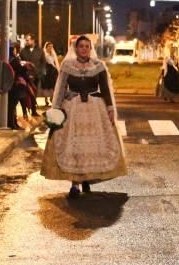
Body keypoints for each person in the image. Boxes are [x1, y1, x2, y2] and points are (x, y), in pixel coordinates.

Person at [40, 35, 127, 199]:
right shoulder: (67, 66)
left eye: (87, 46)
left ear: (90, 48)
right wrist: (56, 108)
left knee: (92, 147)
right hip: (73, 109)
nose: (84, 49)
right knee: (75, 146)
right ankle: (75, 183)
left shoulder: (98, 66)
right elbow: (59, 90)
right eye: (81, 46)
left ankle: (87, 178)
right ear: (75, 48)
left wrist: (110, 108)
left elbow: (106, 89)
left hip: (95, 109)